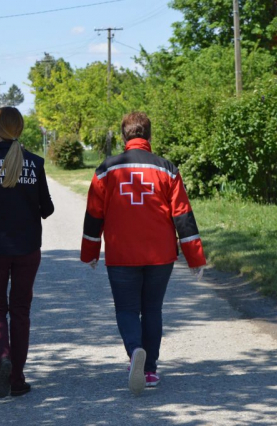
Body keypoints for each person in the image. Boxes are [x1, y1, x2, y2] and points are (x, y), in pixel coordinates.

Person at [80, 111, 206, 395]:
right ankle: (149, 371)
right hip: (159, 255)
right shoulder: (167, 169)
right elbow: (183, 214)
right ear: (149, 136)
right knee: (152, 310)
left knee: (126, 309)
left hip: (121, 253)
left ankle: (135, 350)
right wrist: (195, 257)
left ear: (124, 136)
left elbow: (93, 215)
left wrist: (90, 252)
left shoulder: (105, 169)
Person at [0, 107, 55, 398]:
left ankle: (1, 355)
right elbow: (48, 209)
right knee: (20, 311)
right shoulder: (35, 162)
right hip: (28, 247)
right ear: (20, 129)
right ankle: (16, 378)